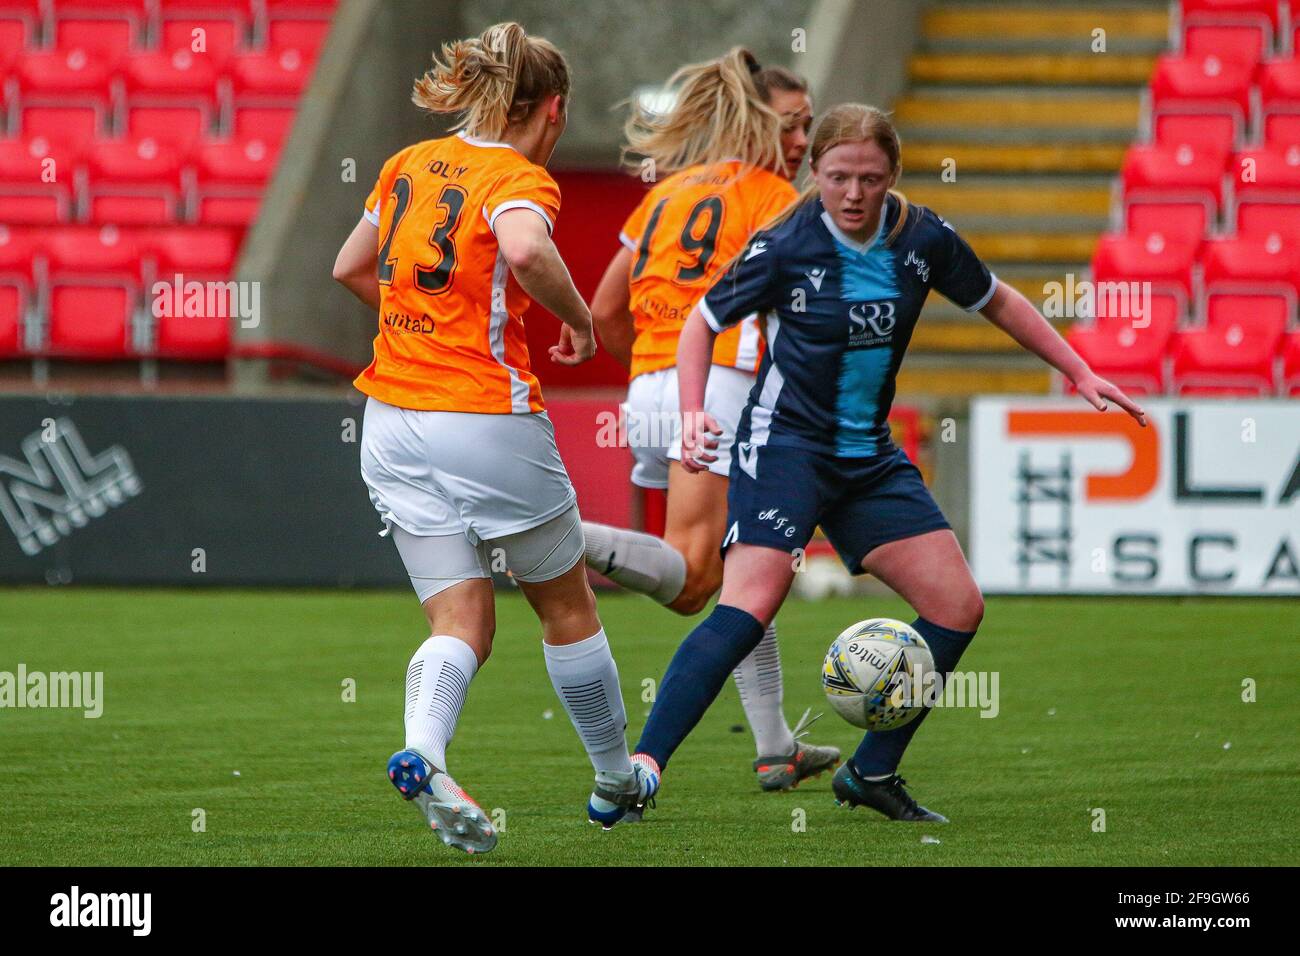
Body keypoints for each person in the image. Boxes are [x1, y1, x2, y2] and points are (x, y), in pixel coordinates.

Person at [627, 103, 1147, 822]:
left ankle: (871, 772)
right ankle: (643, 768)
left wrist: (1079, 371)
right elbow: (703, 322)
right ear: (816, 173)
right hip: (784, 448)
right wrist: (692, 412)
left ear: (892, 175)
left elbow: (997, 301)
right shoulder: (785, 243)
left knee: (957, 607)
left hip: (867, 456)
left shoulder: (921, 236)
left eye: (870, 178)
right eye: (838, 176)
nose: (852, 193)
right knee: (750, 604)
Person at [331, 22, 653, 854]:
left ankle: (426, 752)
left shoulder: (411, 162)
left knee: (459, 617)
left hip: (391, 417)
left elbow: (350, 268)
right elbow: (521, 245)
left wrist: (423, 332)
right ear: (555, 109)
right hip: (481, 416)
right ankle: (618, 778)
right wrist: (580, 322)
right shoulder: (516, 175)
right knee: (566, 604)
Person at [580, 51, 839, 795]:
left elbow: (604, 311)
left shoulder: (666, 194)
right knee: (696, 581)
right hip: (722, 386)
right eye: (791, 126)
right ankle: (558, 534)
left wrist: (652, 375)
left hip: (655, 388)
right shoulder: (775, 200)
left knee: (747, 563)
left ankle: (775, 745)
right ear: (755, 122)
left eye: (808, 127)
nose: (802, 141)